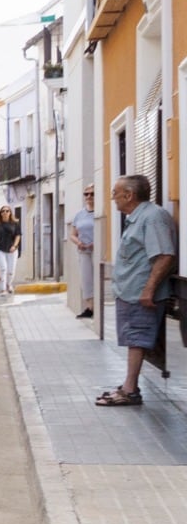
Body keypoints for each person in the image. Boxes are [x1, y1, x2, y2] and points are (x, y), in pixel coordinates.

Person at [97, 174, 179, 407]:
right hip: (131, 292)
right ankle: (128, 387)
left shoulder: (152, 218)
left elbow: (165, 255)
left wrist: (148, 289)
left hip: (141, 294)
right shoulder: (138, 217)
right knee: (135, 340)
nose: (113, 198)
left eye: (115, 193)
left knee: (138, 340)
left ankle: (130, 390)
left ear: (129, 195)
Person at [70, 186, 98, 319]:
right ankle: (89, 307)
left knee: (97, 278)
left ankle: (98, 306)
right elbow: (73, 234)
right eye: (86, 194)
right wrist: (78, 243)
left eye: (92, 194)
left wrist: (96, 243)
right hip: (83, 250)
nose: (89, 196)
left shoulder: (99, 213)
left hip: (96, 250)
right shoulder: (79, 214)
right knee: (85, 279)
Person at [0, 206, 22, 295]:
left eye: (7, 211)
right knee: (3, 268)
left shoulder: (15, 223)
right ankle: (3, 288)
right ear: (0, 213)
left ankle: (9, 284)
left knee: (11, 270)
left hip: (12, 249)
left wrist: (14, 245)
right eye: (3, 211)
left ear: (10, 213)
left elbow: (18, 235)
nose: (5, 212)